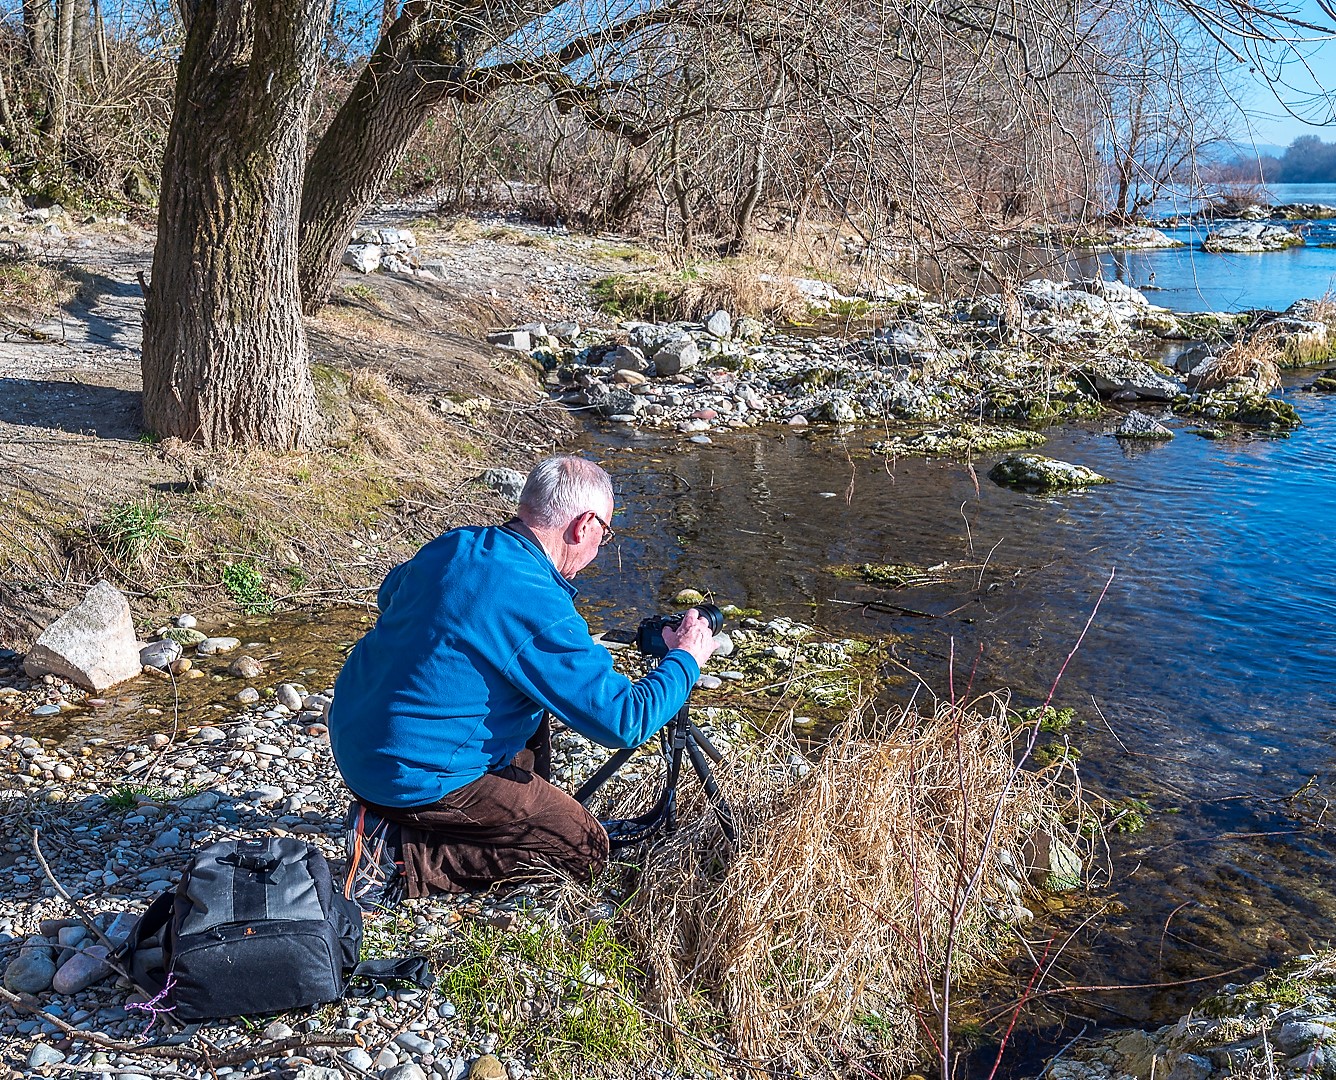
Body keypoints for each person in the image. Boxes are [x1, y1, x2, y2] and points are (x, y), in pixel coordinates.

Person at [327, 455, 718, 905]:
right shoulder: (538, 603)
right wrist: (686, 658)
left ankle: (450, 815)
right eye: (604, 535)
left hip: (354, 737)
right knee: (583, 848)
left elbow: (390, 593)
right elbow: (624, 720)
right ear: (583, 525)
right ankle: (400, 857)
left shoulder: (456, 545)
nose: (599, 548)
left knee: (527, 698)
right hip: (407, 774)